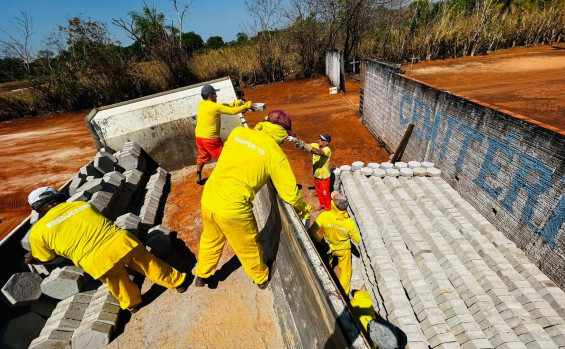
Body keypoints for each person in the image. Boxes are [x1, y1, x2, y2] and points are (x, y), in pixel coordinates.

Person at [194, 110, 312, 289]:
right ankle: (261, 278)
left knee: (210, 239)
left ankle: (202, 275)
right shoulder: (275, 153)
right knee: (249, 246)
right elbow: (290, 193)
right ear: (283, 134)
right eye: (285, 137)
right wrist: (304, 210)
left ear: (264, 122)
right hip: (234, 208)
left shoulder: (238, 132)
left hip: (210, 196)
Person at [25, 187, 189, 313]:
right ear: (58, 197)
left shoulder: (38, 232)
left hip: (96, 260)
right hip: (121, 242)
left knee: (118, 283)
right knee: (150, 264)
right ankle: (177, 282)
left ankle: (133, 305)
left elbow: (46, 258)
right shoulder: (82, 205)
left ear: (37, 208)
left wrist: (33, 257)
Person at [195, 84, 253, 184]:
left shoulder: (202, 103)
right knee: (223, 158)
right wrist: (245, 106)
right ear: (210, 95)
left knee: (202, 156)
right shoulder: (215, 106)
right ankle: (229, 177)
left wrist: (236, 103)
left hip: (199, 137)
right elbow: (232, 111)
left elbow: (223, 106)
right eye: (214, 94)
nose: (216, 95)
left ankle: (198, 175)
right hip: (210, 139)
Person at [307, 191, 360, 295]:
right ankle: (343, 294)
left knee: (328, 261)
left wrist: (320, 243)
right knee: (345, 273)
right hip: (343, 250)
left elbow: (312, 231)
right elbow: (357, 240)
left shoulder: (325, 216)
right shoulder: (349, 223)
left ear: (333, 204)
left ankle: (328, 272)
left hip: (329, 246)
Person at [291, 133, 332, 211]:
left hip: (324, 177)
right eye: (319, 138)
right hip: (316, 175)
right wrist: (297, 141)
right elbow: (307, 146)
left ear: (327, 142)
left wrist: (305, 146)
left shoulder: (327, 150)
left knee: (325, 194)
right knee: (319, 192)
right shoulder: (315, 145)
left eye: (322, 139)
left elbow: (319, 152)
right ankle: (322, 204)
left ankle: (327, 209)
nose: (319, 140)